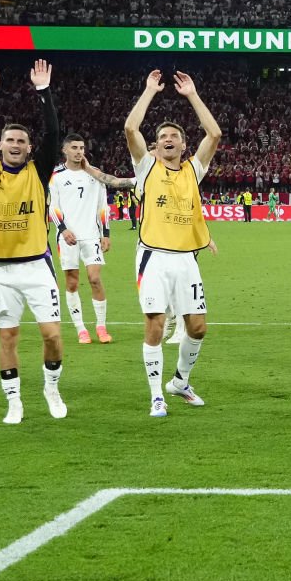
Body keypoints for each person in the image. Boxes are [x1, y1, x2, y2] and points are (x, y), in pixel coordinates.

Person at [0, 60, 67, 425]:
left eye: (22, 140)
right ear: (0, 144)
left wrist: (44, 91)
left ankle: (51, 388)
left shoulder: (40, 170)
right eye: (10, 140)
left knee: (51, 336)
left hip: (38, 266)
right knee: (8, 338)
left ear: (29, 146)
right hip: (2, 270)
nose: (16, 145)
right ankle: (14, 401)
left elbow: (54, 132)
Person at [126, 71, 223, 416]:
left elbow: (214, 134)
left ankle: (180, 381)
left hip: (186, 260)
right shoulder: (146, 167)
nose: (168, 139)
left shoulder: (193, 171)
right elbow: (130, 130)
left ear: (183, 145)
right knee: (155, 323)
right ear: (156, 145)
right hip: (153, 257)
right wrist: (149, 91)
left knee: (197, 327)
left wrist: (193, 95)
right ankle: (156, 396)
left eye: (174, 136)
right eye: (163, 136)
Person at [51, 136, 117, 345]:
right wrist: (62, 229)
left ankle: (101, 326)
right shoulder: (56, 176)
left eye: (81, 148)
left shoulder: (94, 174)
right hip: (68, 236)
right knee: (71, 282)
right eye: (74, 148)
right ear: (65, 150)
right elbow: (53, 206)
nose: (79, 152)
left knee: (95, 279)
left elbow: (103, 206)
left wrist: (105, 233)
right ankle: (81, 328)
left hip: (91, 235)